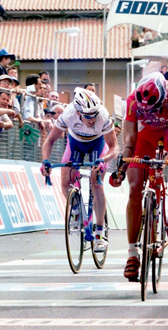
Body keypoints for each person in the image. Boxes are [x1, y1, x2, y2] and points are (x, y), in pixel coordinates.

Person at [108, 72, 168, 281]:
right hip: (145, 134)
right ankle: (132, 253)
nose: (150, 111)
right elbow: (129, 141)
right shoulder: (132, 100)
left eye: (154, 108)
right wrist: (121, 169)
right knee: (135, 186)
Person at [41, 88, 119, 252]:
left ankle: (99, 232)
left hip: (98, 144)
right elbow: (49, 141)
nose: (92, 119)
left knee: (96, 182)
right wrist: (45, 161)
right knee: (64, 182)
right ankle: (76, 209)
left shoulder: (103, 116)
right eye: (88, 116)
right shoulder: (68, 114)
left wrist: (103, 160)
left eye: (94, 114)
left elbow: (114, 147)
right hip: (75, 143)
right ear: (78, 112)